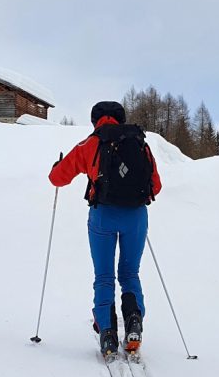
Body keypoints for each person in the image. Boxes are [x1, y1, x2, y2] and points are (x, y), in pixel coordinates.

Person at [48, 101, 162, 358]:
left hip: (103, 217)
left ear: (94, 120)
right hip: (136, 218)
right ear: (120, 119)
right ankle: (134, 320)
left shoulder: (90, 144)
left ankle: (108, 333)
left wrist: (57, 167)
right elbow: (156, 185)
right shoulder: (139, 142)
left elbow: (58, 178)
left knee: (104, 277)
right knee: (130, 273)